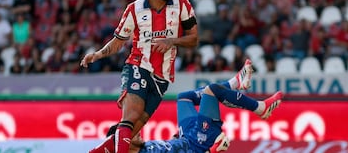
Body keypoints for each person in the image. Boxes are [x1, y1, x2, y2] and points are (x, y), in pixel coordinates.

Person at [80, 0, 199, 153]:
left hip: (163, 77)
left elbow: (193, 38)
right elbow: (119, 41)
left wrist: (173, 40)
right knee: (131, 115)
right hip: (138, 65)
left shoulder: (182, 5)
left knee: (132, 129)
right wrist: (98, 54)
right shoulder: (134, 9)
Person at [100, 59, 283, 153]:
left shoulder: (145, 147)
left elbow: (169, 147)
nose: (137, 131)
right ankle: (260, 107)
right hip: (197, 144)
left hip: (187, 137)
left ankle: (236, 82)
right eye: (132, 132)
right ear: (123, 143)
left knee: (184, 97)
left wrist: (175, 137)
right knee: (211, 91)